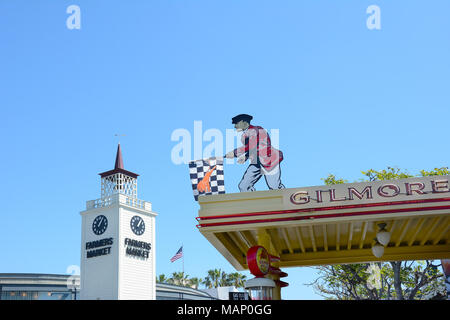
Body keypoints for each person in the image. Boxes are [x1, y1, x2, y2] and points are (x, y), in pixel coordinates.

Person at [225, 114, 285, 192]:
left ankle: (290, 199)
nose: (235, 126)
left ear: (244, 122)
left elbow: (251, 145)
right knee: (243, 186)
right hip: (256, 162)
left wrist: (234, 153)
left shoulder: (255, 130)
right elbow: (253, 148)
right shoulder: (245, 135)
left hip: (269, 161)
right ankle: (250, 202)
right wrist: (246, 157)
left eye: (236, 123)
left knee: (275, 187)